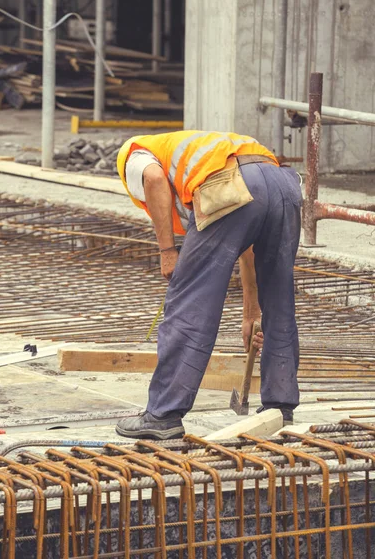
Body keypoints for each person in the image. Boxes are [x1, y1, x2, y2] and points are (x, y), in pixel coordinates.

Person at [115, 131, 302, 439]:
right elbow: (249, 247)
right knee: (280, 298)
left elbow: (153, 179)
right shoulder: (203, 149)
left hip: (231, 183)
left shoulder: (132, 154)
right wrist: (251, 313)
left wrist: (167, 252)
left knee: (191, 301)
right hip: (284, 185)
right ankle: (280, 407)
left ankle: (164, 413)